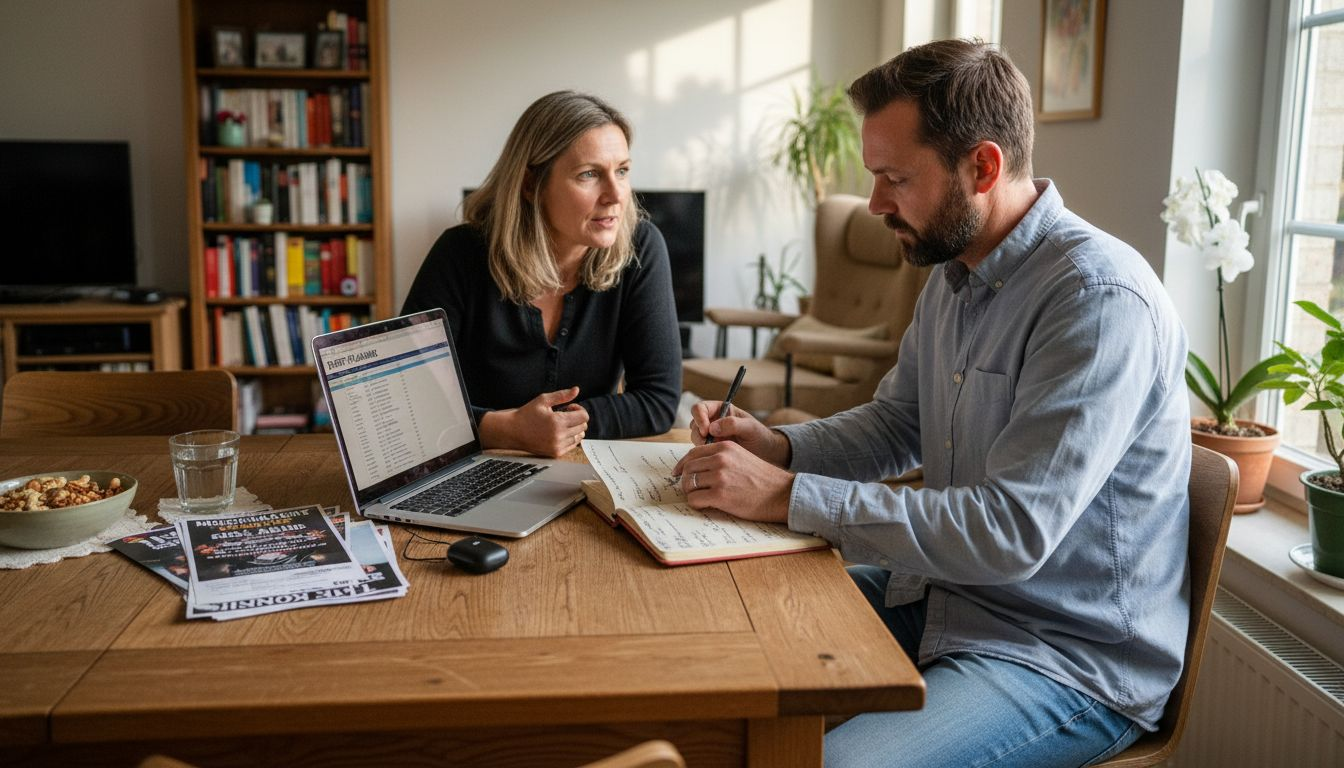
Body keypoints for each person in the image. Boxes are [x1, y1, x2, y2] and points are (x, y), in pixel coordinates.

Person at [674, 39, 1190, 767]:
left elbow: (1011, 531)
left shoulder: (1097, 301)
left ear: (982, 166)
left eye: (895, 178)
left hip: (1060, 655)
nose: (877, 203)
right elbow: (899, 424)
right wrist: (780, 447)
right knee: (715, 655)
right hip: (947, 595)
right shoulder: (954, 274)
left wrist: (789, 495)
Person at [402, 91, 681, 457]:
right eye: (589, 174)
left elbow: (658, 401)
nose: (615, 195)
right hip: (471, 468)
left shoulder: (641, 247)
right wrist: (508, 431)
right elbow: (405, 399)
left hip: (583, 468)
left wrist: (556, 428)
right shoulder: (460, 253)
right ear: (532, 185)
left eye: (622, 171)